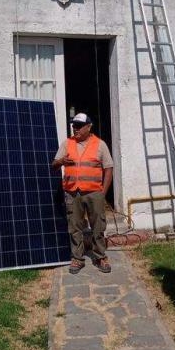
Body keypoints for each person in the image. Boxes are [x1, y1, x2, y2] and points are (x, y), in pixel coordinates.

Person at [51, 113, 114, 274]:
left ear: (88, 127)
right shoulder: (67, 144)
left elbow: (108, 168)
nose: (75, 128)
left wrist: (103, 192)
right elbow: (54, 165)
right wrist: (61, 162)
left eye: (79, 126)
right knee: (74, 227)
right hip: (73, 193)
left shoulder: (100, 145)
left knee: (98, 226)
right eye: (73, 125)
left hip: (94, 193)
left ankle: (100, 256)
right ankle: (77, 258)